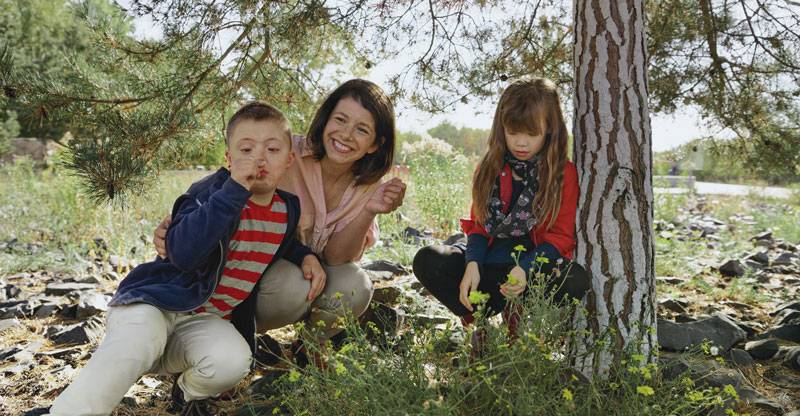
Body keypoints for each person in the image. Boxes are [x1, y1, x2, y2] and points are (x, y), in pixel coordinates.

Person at [43, 102, 322, 416]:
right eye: (246, 149)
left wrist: (306, 256)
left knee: (232, 361)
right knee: (139, 339)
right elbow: (184, 254)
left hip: (203, 323)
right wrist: (233, 190)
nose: (259, 158)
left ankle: (186, 394)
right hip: (157, 302)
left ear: (289, 160)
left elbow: (280, 245)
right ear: (229, 159)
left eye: (272, 149)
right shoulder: (210, 193)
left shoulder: (287, 209)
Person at [153, 79, 406, 365]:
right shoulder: (284, 152)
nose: (346, 135)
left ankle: (309, 346)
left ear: (375, 144)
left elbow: (338, 258)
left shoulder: (371, 185)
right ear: (325, 120)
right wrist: (179, 221)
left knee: (355, 284)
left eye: (362, 129)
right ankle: (226, 338)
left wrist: (369, 210)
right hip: (257, 275)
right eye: (340, 120)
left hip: (315, 273)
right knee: (292, 282)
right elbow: (227, 178)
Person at [412, 77, 590, 354]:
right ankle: (479, 325)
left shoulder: (562, 174)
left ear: (550, 131)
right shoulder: (489, 168)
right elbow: (479, 227)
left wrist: (526, 267)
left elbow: (561, 237)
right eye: (513, 132)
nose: (521, 142)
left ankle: (519, 333)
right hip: (488, 266)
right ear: (501, 128)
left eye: (532, 134)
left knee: (575, 278)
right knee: (428, 259)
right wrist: (472, 264)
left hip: (530, 270)